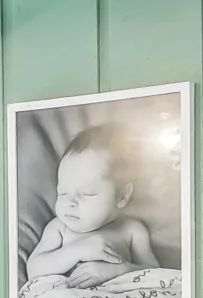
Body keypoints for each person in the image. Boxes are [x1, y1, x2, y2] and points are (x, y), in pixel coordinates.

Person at [25, 124, 159, 289]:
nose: (70, 202)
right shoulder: (59, 228)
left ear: (122, 196)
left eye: (87, 193)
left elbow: (155, 272)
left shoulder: (131, 230)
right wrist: (78, 251)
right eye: (63, 193)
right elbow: (34, 270)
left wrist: (119, 270)